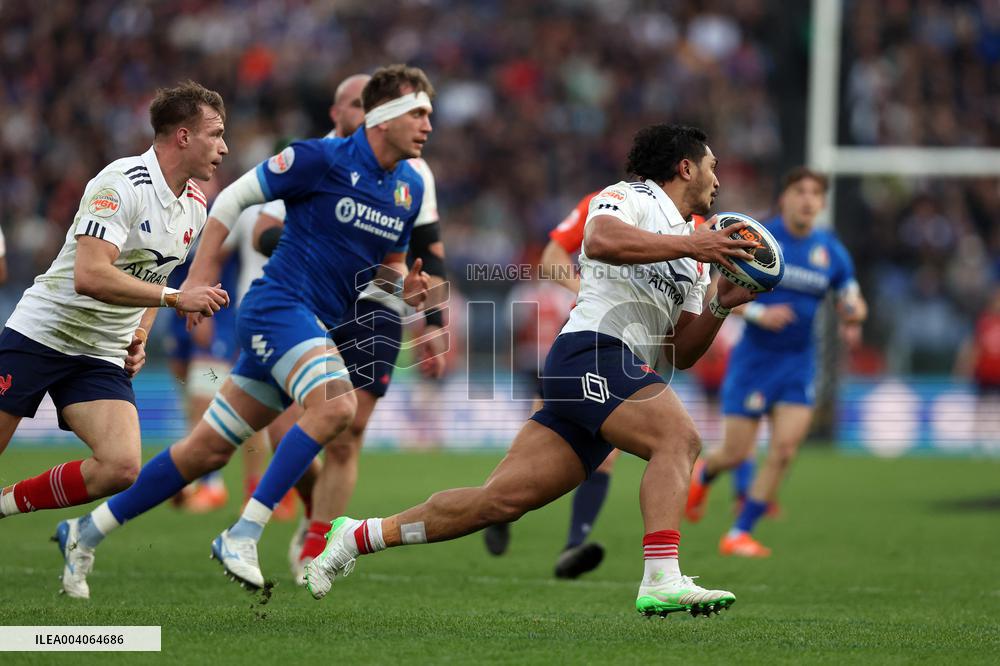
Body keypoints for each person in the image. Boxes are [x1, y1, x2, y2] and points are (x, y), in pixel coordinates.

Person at [305, 124, 761, 617]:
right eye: (712, 167)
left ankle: (358, 535)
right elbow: (601, 238)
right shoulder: (631, 196)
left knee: (498, 502)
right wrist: (694, 248)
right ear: (686, 167)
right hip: (590, 352)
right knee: (680, 439)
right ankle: (661, 578)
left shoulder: (697, 257)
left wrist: (720, 304)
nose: (718, 181)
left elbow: (681, 351)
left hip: (616, 370)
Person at [56, 64, 435, 597]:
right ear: (385, 117)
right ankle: (244, 531)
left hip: (311, 320)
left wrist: (405, 292)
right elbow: (233, 199)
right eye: (418, 112)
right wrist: (202, 274)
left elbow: (389, 267)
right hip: (278, 307)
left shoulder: (410, 188)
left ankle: (84, 530)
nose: (428, 125)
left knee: (206, 451)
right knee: (337, 407)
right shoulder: (317, 159)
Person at [0, 82, 230, 537]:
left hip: (100, 352)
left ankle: (5, 504)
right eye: (216, 134)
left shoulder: (196, 206)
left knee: (120, 467)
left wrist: (140, 333)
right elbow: (90, 275)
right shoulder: (120, 184)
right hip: (42, 333)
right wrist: (173, 300)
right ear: (183, 136)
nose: (224, 148)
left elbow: (156, 275)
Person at [251, 73, 448, 582]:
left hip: (377, 305)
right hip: (309, 296)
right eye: (356, 104)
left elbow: (430, 248)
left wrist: (435, 323)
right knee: (283, 426)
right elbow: (261, 232)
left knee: (348, 431)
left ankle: (317, 541)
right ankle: (306, 513)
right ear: (338, 113)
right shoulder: (314, 159)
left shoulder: (414, 173)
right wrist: (333, 246)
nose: (366, 112)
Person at [685, 167, 868, 557]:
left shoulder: (830, 252)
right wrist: (758, 315)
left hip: (799, 362)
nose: (807, 200)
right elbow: (718, 297)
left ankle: (739, 532)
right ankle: (705, 474)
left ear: (821, 203)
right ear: (784, 197)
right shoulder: (759, 240)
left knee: (784, 450)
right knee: (735, 453)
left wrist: (853, 313)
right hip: (754, 359)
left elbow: (851, 295)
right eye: (799, 191)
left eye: (815, 194)